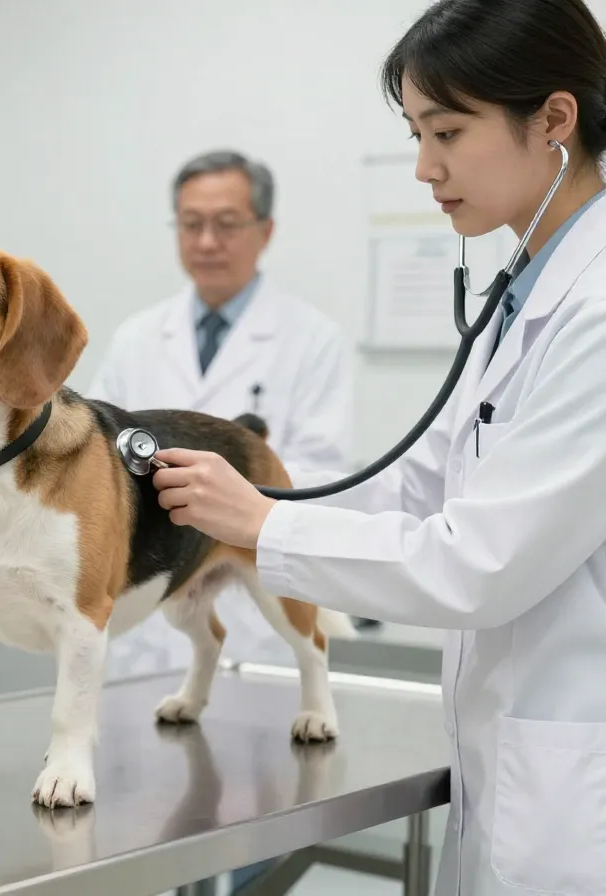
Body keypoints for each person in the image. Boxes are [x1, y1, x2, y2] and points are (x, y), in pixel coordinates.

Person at [151, 1, 606, 893]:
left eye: (447, 130)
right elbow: (410, 489)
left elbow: (479, 564)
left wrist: (261, 525)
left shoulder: (596, 310)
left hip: (572, 792)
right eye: (415, 132)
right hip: (514, 766)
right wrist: (260, 504)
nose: (425, 168)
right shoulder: (527, 291)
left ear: (555, 119)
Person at [86, 150, 356, 677]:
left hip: (255, 608)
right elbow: (96, 460)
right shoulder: (136, 338)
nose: (207, 242)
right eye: (192, 225)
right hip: (143, 605)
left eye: (226, 224)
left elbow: (320, 470)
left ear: (265, 229)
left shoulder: (313, 339)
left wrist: (227, 491)